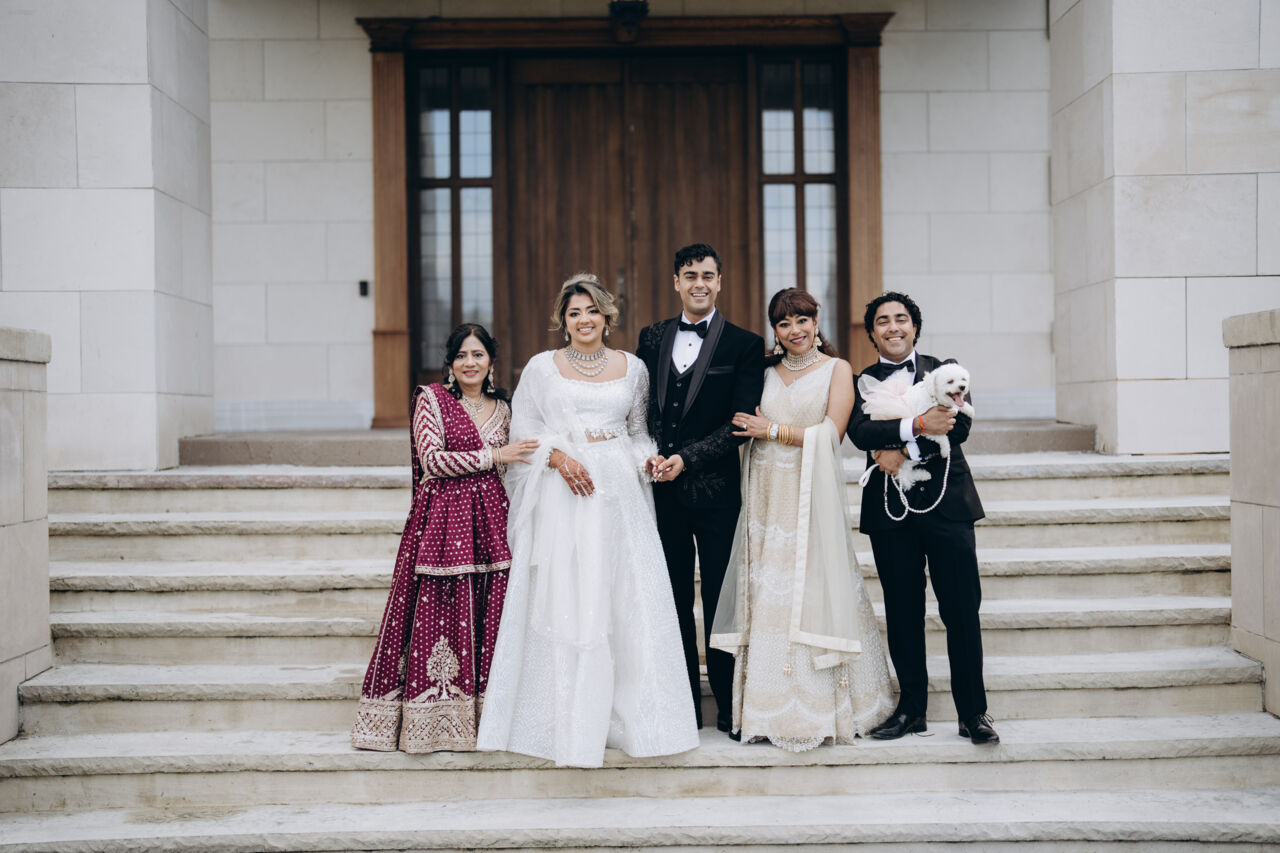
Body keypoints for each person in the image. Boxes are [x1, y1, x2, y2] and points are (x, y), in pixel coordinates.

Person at [476, 273, 699, 768]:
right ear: (563, 320)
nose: (583, 320)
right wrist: (559, 459)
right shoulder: (542, 368)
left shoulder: (633, 368)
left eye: (592, 311)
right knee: (573, 594)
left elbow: (638, 431)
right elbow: (525, 430)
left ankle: (631, 719)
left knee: (624, 594)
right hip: (567, 492)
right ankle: (569, 718)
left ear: (607, 316)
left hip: (619, 490)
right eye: (574, 313)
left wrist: (647, 460)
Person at [710, 288, 894, 750]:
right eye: (784, 323)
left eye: (802, 320)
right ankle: (763, 706)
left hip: (810, 492)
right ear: (775, 330)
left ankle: (819, 706)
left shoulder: (837, 369)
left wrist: (771, 430)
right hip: (765, 493)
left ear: (816, 322)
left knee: (809, 582)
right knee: (768, 587)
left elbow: (831, 433)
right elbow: (741, 421)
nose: (794, 330)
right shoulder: (763, 372)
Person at [351, 324, 539, 753]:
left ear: (490, 362)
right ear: (450, 364)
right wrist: (495, 455)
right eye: (461, 356)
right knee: (439, 611)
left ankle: (489, 719)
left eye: (478, 355)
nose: (470, 363)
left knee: (490, 611)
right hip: (440, 523)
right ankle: (434, 720)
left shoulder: (504, 410)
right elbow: (433, 461)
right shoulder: (431, 400)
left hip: (490, 525)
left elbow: (518, 465)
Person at [848, 292, 998, 745]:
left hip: (948, 506)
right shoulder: (861, 381)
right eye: (882, 321)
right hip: (890, 510)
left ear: (914, 327)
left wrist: (901, 448)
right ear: (872, 332)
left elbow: (959, 425)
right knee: (902, 611)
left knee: (961, 609)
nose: (893, 327)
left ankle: (973, 713)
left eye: (901, 319)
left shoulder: (945, 370)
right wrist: (915, 427)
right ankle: (911, 710)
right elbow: (861, 432)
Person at [636, 243, 765, 735]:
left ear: (719, 281)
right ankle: (682, 706)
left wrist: (687, 459)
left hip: (717, 495)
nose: (699, 283)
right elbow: (641, 408)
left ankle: (729, 706)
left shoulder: (745, 344)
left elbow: (741, 423)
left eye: (708, 275)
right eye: (690, 275)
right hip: (661, 493)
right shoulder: (651, 337)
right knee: (670, 600)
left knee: (719, 599)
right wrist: (648, 454)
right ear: (676, 282)